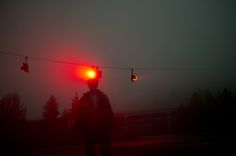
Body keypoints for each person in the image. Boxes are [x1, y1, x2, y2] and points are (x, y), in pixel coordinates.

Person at [77, 78, 114, 156]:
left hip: (102, 128)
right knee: (91, 151)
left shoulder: (103, 97)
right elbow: (80, 115)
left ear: (96, 85)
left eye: (94, 84)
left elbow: (109, 112)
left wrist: (110, 125)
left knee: (105, 150)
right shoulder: (85, 99)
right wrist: (82, 128)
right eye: (91, 84)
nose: (92, 86)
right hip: (90, 129)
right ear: (89, 86)